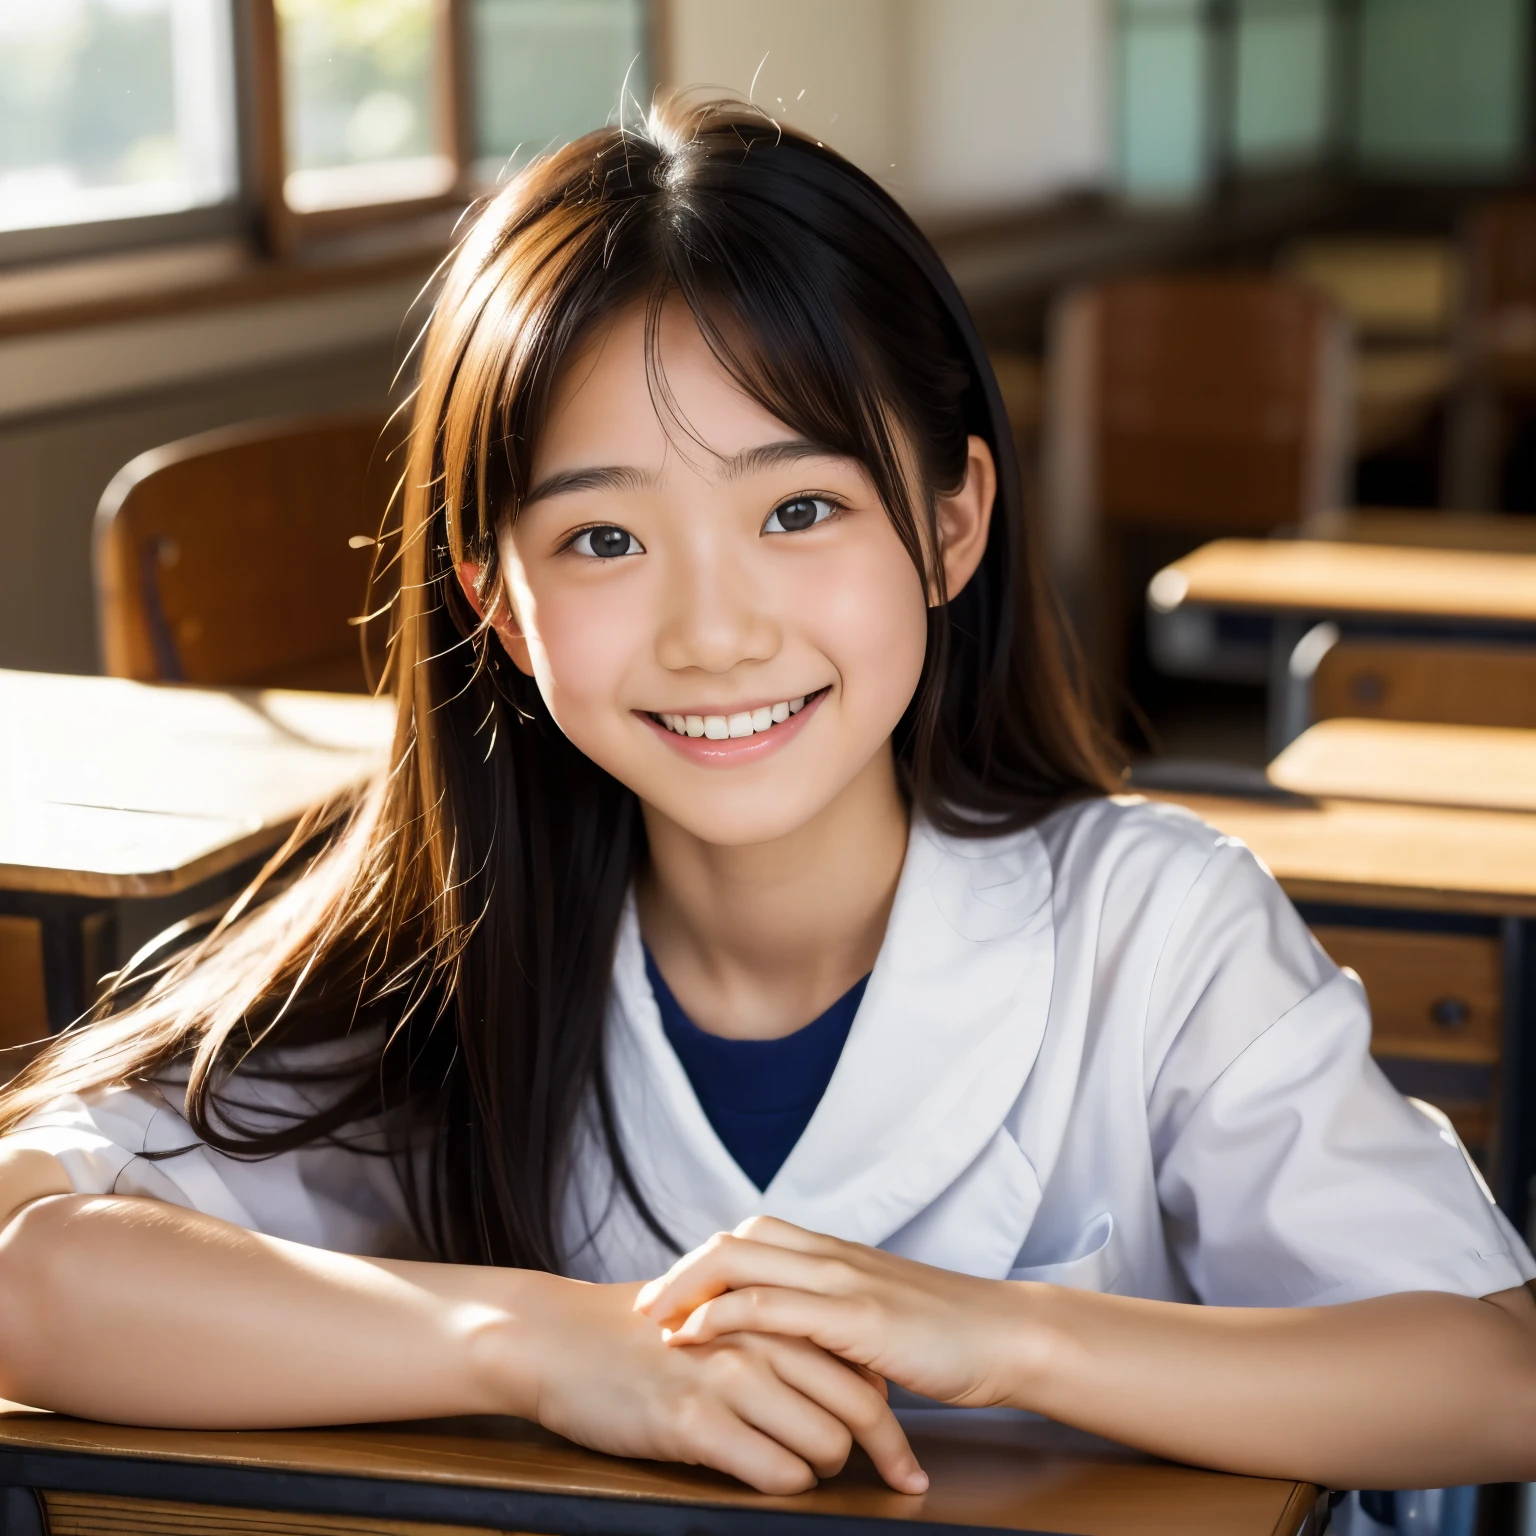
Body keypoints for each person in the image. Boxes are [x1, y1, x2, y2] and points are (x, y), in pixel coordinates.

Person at [0, 98, 1532, 1500]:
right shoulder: (454, 959)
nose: (715, 630)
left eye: (800, 509)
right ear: (500, 605)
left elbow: (1496, 1376)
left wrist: (1008, 1338)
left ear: (951, 526)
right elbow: (26, 1263)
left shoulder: (1156, 929)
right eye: (604, 540)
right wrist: (541, 1347)